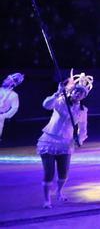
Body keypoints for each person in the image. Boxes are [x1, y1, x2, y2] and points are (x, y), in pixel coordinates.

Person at [37, 71, 92, 209]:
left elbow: (83, 128)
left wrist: (80, 139)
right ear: (72, 92)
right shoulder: (60, 101)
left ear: (84, 96)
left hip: (65, 143)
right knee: (49, 172)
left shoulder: (82, 110)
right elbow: (46, 105)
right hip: (48, 140)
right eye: (76, 92)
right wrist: (57, 93)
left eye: (81, 93)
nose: (78, 94)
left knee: (63, 174)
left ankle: (59, 192)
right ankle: (46, 200)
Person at [0, 72, 24, 142]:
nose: (5, 80)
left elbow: (14, 108)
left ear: (12, 83)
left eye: (8, 79)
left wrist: (4, 116)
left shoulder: (14, 95)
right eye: (6, 79)